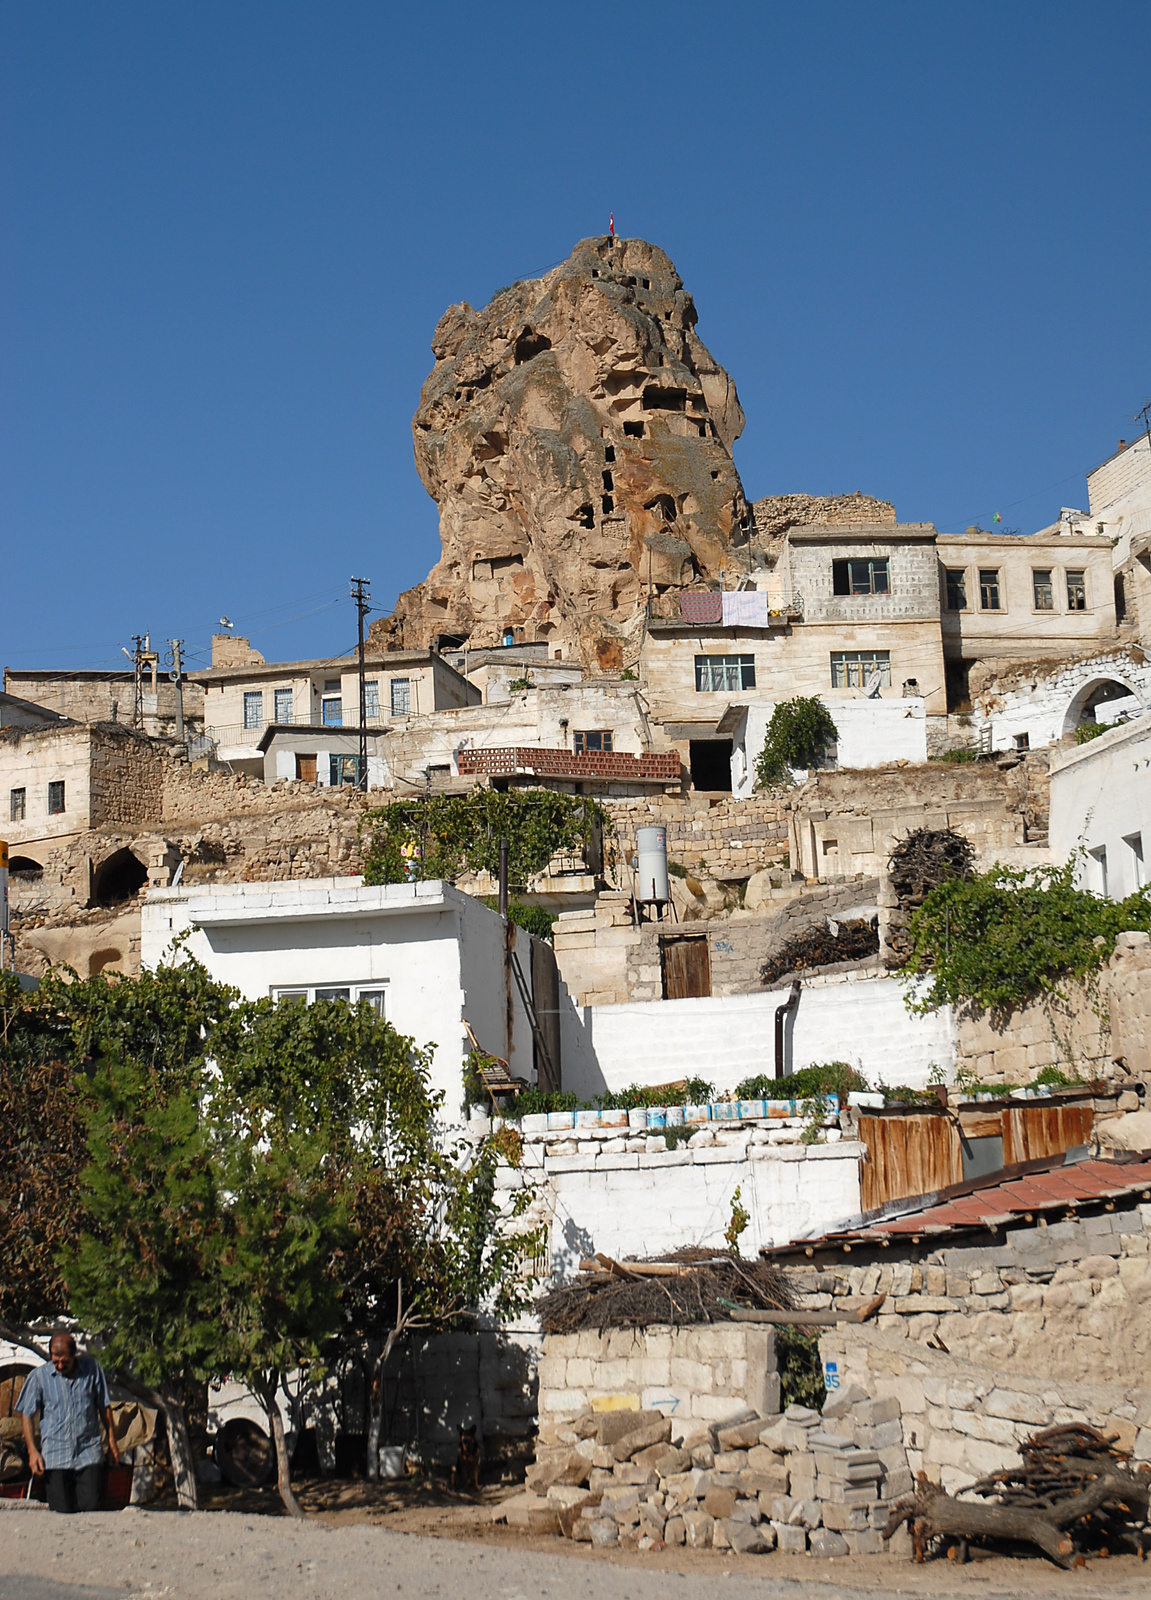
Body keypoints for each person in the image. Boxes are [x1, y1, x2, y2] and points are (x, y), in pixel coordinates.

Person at [16, 1331, 120, 1513]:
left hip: (88, 1453)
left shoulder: (92, 1370)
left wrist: (112, 1442)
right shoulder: (39, 1377)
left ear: (74, 1356)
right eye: (56, 1361)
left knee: (92, 1509)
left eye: (65, 1361)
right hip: (56, 1456)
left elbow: (104, 1407)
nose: (60, 1365)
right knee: (61, 1513)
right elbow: (27, 1415)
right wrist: (33, 1451)